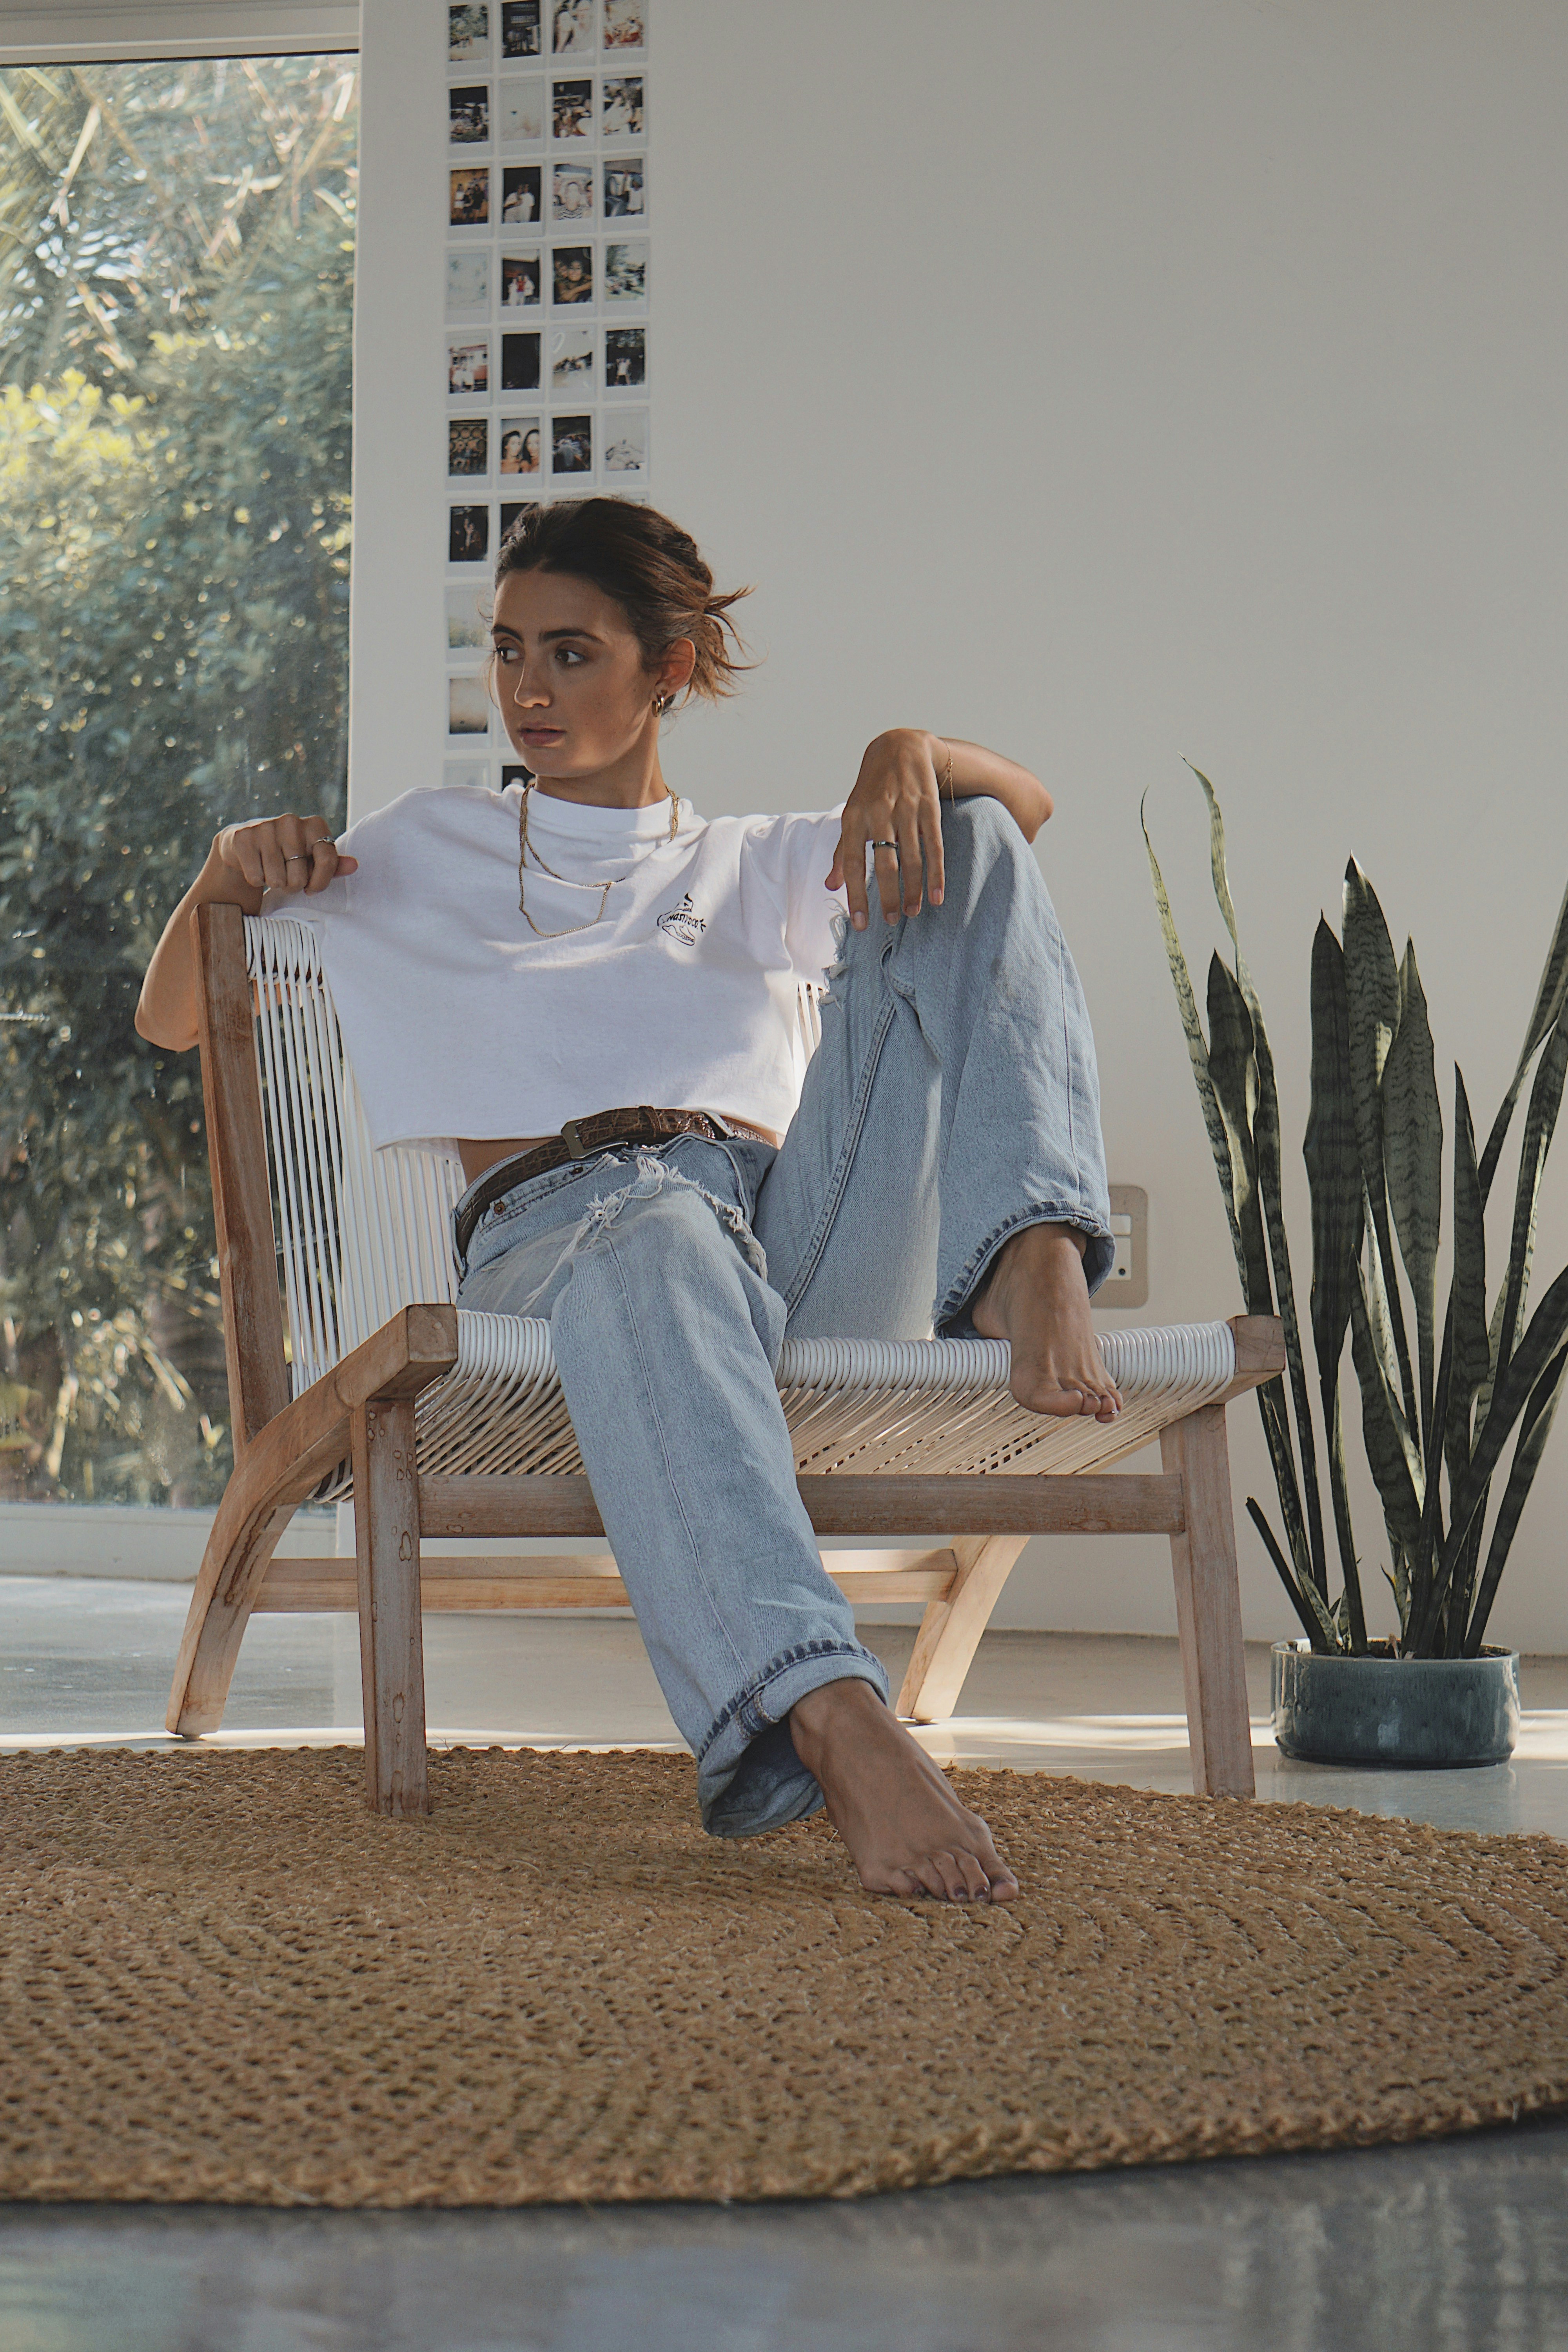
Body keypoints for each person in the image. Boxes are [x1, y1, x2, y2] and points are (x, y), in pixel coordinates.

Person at [135, 499, 1120, 1907]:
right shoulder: (419, 849)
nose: (529, 690)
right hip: (561, 1237)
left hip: (788, 1238)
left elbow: (1012, 826)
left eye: (573, 654)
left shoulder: (759, 864)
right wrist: (222, 873)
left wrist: (914, 750)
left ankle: (1032, 1247)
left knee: (968, 841)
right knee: (648, 1220)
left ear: (666, 672)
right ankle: (831, 1715)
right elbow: (173, 1016)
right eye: (510, 652)